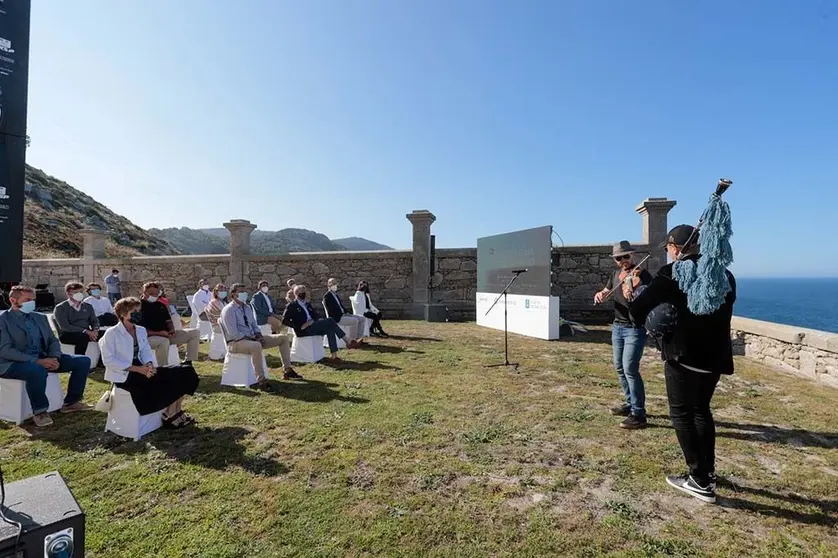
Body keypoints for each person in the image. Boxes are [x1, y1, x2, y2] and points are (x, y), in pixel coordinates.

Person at [630, 224, 736, 504]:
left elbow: (638, 310)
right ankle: (707, 473)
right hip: (715, 358)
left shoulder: (672, 273)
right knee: (701, 411)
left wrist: (638, 294)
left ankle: (699, 480)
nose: (668, 254)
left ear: (676, 247)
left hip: (683, 355)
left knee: (681, 414)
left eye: (669, 249)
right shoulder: (725, 275)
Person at [100, 297, 199, 429]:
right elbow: (109, 360)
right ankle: (172, 415)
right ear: (123, 314)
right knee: (169, 378)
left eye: (139, 310)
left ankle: (174, 410)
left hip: (143, 367)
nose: (138, 314)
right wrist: (138, 369)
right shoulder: (111, 334)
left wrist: (149, 364)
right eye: (134, 311)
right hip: (124, 373)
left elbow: (145, 351)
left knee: (185, 371)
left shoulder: (140, 330)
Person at [0, 285, 92, 427]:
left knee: (83, 361)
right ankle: (40, 411)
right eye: (28, 300)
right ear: (13, 300)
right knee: (36, 370)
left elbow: (52, 340)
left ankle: (71, 402)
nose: (32, 303)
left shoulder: (40, 318)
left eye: (34, 299)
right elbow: (5, 350)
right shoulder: (3, 320)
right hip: (12, 363)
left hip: (44, 357)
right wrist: (37, 361)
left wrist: (54, 357)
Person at [592, 241, 654, 430]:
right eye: (619, 258)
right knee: (619, 367)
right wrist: (600, 295)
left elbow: (648, 299)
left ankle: (639, 414)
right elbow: (606, 290)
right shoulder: (614, 275)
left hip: (635, 328)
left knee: (630, 369)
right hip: (618, 326)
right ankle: (630, 403)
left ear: (632, 255)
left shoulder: (643, 276)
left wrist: (633, 290)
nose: (623, 261)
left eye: (626, 257)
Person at [220, 283, 301, 386]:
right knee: (256, 345)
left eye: (245, 291)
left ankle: (288, 370)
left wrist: (259, 335)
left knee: (283, 338)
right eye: (241, 292)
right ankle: (261, 381)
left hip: (252, 339)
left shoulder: (247, 308)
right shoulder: (228, 310)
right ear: (233, 295)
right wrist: (253, 339)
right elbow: (234, 333)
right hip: (236, 343)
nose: (244, 294)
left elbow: (254, 325)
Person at [283, 285, 359, 360]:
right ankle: (348, 341)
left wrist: (311, 321)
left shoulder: (307, 304)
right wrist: (298, 326)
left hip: (312, 325)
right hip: (303, 330)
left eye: (304, 292)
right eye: (301, 292)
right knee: (329, 320)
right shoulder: (292, 306)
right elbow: (284, 320)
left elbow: (316, 315)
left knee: (330, 328)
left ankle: (334, 356)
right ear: (296, 293)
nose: (303, 293)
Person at [138, 282, 200, 366]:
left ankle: (188, 362)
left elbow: (168, 320)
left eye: (156, 294)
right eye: (152, 294)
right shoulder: (138, 306)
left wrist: (172, 329)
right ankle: (163, 368)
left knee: (194, 333)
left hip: (166, 335)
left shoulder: (160, 305)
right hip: (148, 337)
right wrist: (159, 333)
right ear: (144, 293)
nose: (155, 296)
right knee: (163, 341)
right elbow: (137, 329)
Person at [53, 281, 100, 356]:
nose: (79, 294)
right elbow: (65, 326)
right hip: (68, 334)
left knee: (105, 335)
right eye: (76, 292)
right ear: (68, 294)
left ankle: (102, 361)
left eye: (81, 292)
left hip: (87, 332)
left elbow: (94, 321)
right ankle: (80, 360)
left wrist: (95, 330)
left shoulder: (88, 306)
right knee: (82, 337)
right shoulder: (61, 308)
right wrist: (85, 331)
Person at [323, 277, 366, 343]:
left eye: (335, 284)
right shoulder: (327, 296)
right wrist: (341, 314)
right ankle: (352, 341)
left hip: (344, 314)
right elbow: (330, 311)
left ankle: (359, 339)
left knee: (362, 318)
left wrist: (347, 313)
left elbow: (341, 306)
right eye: (333, 284)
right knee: (354, 321)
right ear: (329, 286)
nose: (335, 286)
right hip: (337, 318)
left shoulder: (335, 295)